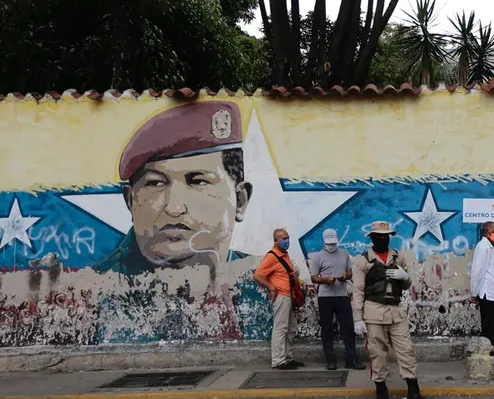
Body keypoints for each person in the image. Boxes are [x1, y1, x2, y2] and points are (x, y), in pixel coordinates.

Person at [95, 101, 252, 277]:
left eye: (198, 182)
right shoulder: (92, 295)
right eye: (155, 183)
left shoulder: (265, 285)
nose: (174, 208)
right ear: (131, 201)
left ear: (240, 200)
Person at [352, 220, 429, 399]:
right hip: (373, 311)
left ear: (389, 237)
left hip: (396, 311)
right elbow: (358, 290)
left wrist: (405, 277)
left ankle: (413, 391)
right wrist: (357, 318)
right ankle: (381, 391)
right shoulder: (362, 260)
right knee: (377, 353)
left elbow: (406, 284)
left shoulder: (398, 257)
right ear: (372, 238)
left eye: (385, 236)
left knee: (407, 350)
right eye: (378, 236)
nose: (382, 239)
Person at [310, 229, 364, 371]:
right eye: (329, 243)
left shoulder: (344, 254)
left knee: (348, 328)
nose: (331, 246)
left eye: (333, 243)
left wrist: (345, 276)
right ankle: (330, 360)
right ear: (324, 242)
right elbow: (313, 277)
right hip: (325, 297)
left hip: (342, 296)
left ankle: (351, 359)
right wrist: (325, 280)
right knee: (327, 329)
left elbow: (350, 272)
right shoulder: (317, 257)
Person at [254, 228, 304, 370]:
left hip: (289, 296)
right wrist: (271, 287)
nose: (287, 241)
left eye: (287, 237)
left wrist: (295, 273)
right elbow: (257, 275)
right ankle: (278, 360)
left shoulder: (284, 254)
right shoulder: (271, 256)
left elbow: (283, 273)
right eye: (283, 238)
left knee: (291, 328)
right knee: (280, 328)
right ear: (275, 241)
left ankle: (288, 357)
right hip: (281, 296)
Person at [470, 221, 494, 369]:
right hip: (486, 294)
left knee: (491, 328)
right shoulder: (483, 247)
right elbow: (477, 272)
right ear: (487, 232)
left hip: (491, 294)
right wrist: (474, 292)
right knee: (488, 329)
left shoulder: (489, 247)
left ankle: (490, 358)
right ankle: (486, 360)